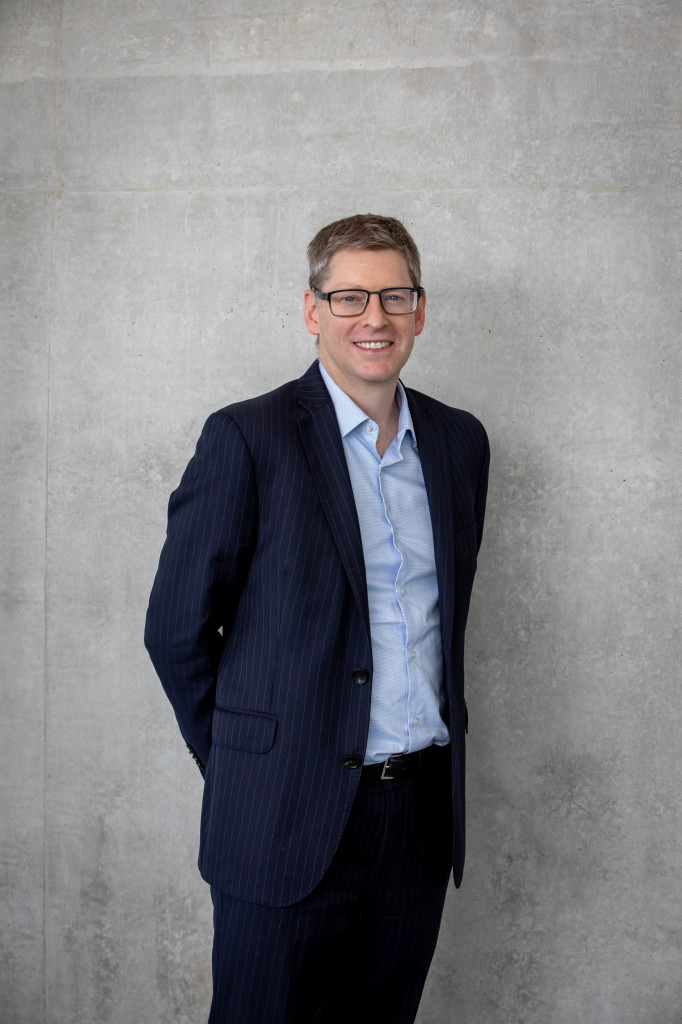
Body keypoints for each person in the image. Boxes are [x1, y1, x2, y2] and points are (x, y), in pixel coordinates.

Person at [145, 213, 489, 1024]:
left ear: (420, 310)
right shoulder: (247, 437)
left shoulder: (459, 442)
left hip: (415, 819)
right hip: (282, 816)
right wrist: (251, 764)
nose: (375, 317)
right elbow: (175, 631)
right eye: (350, 297)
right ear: (312, 310)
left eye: (395, 296)